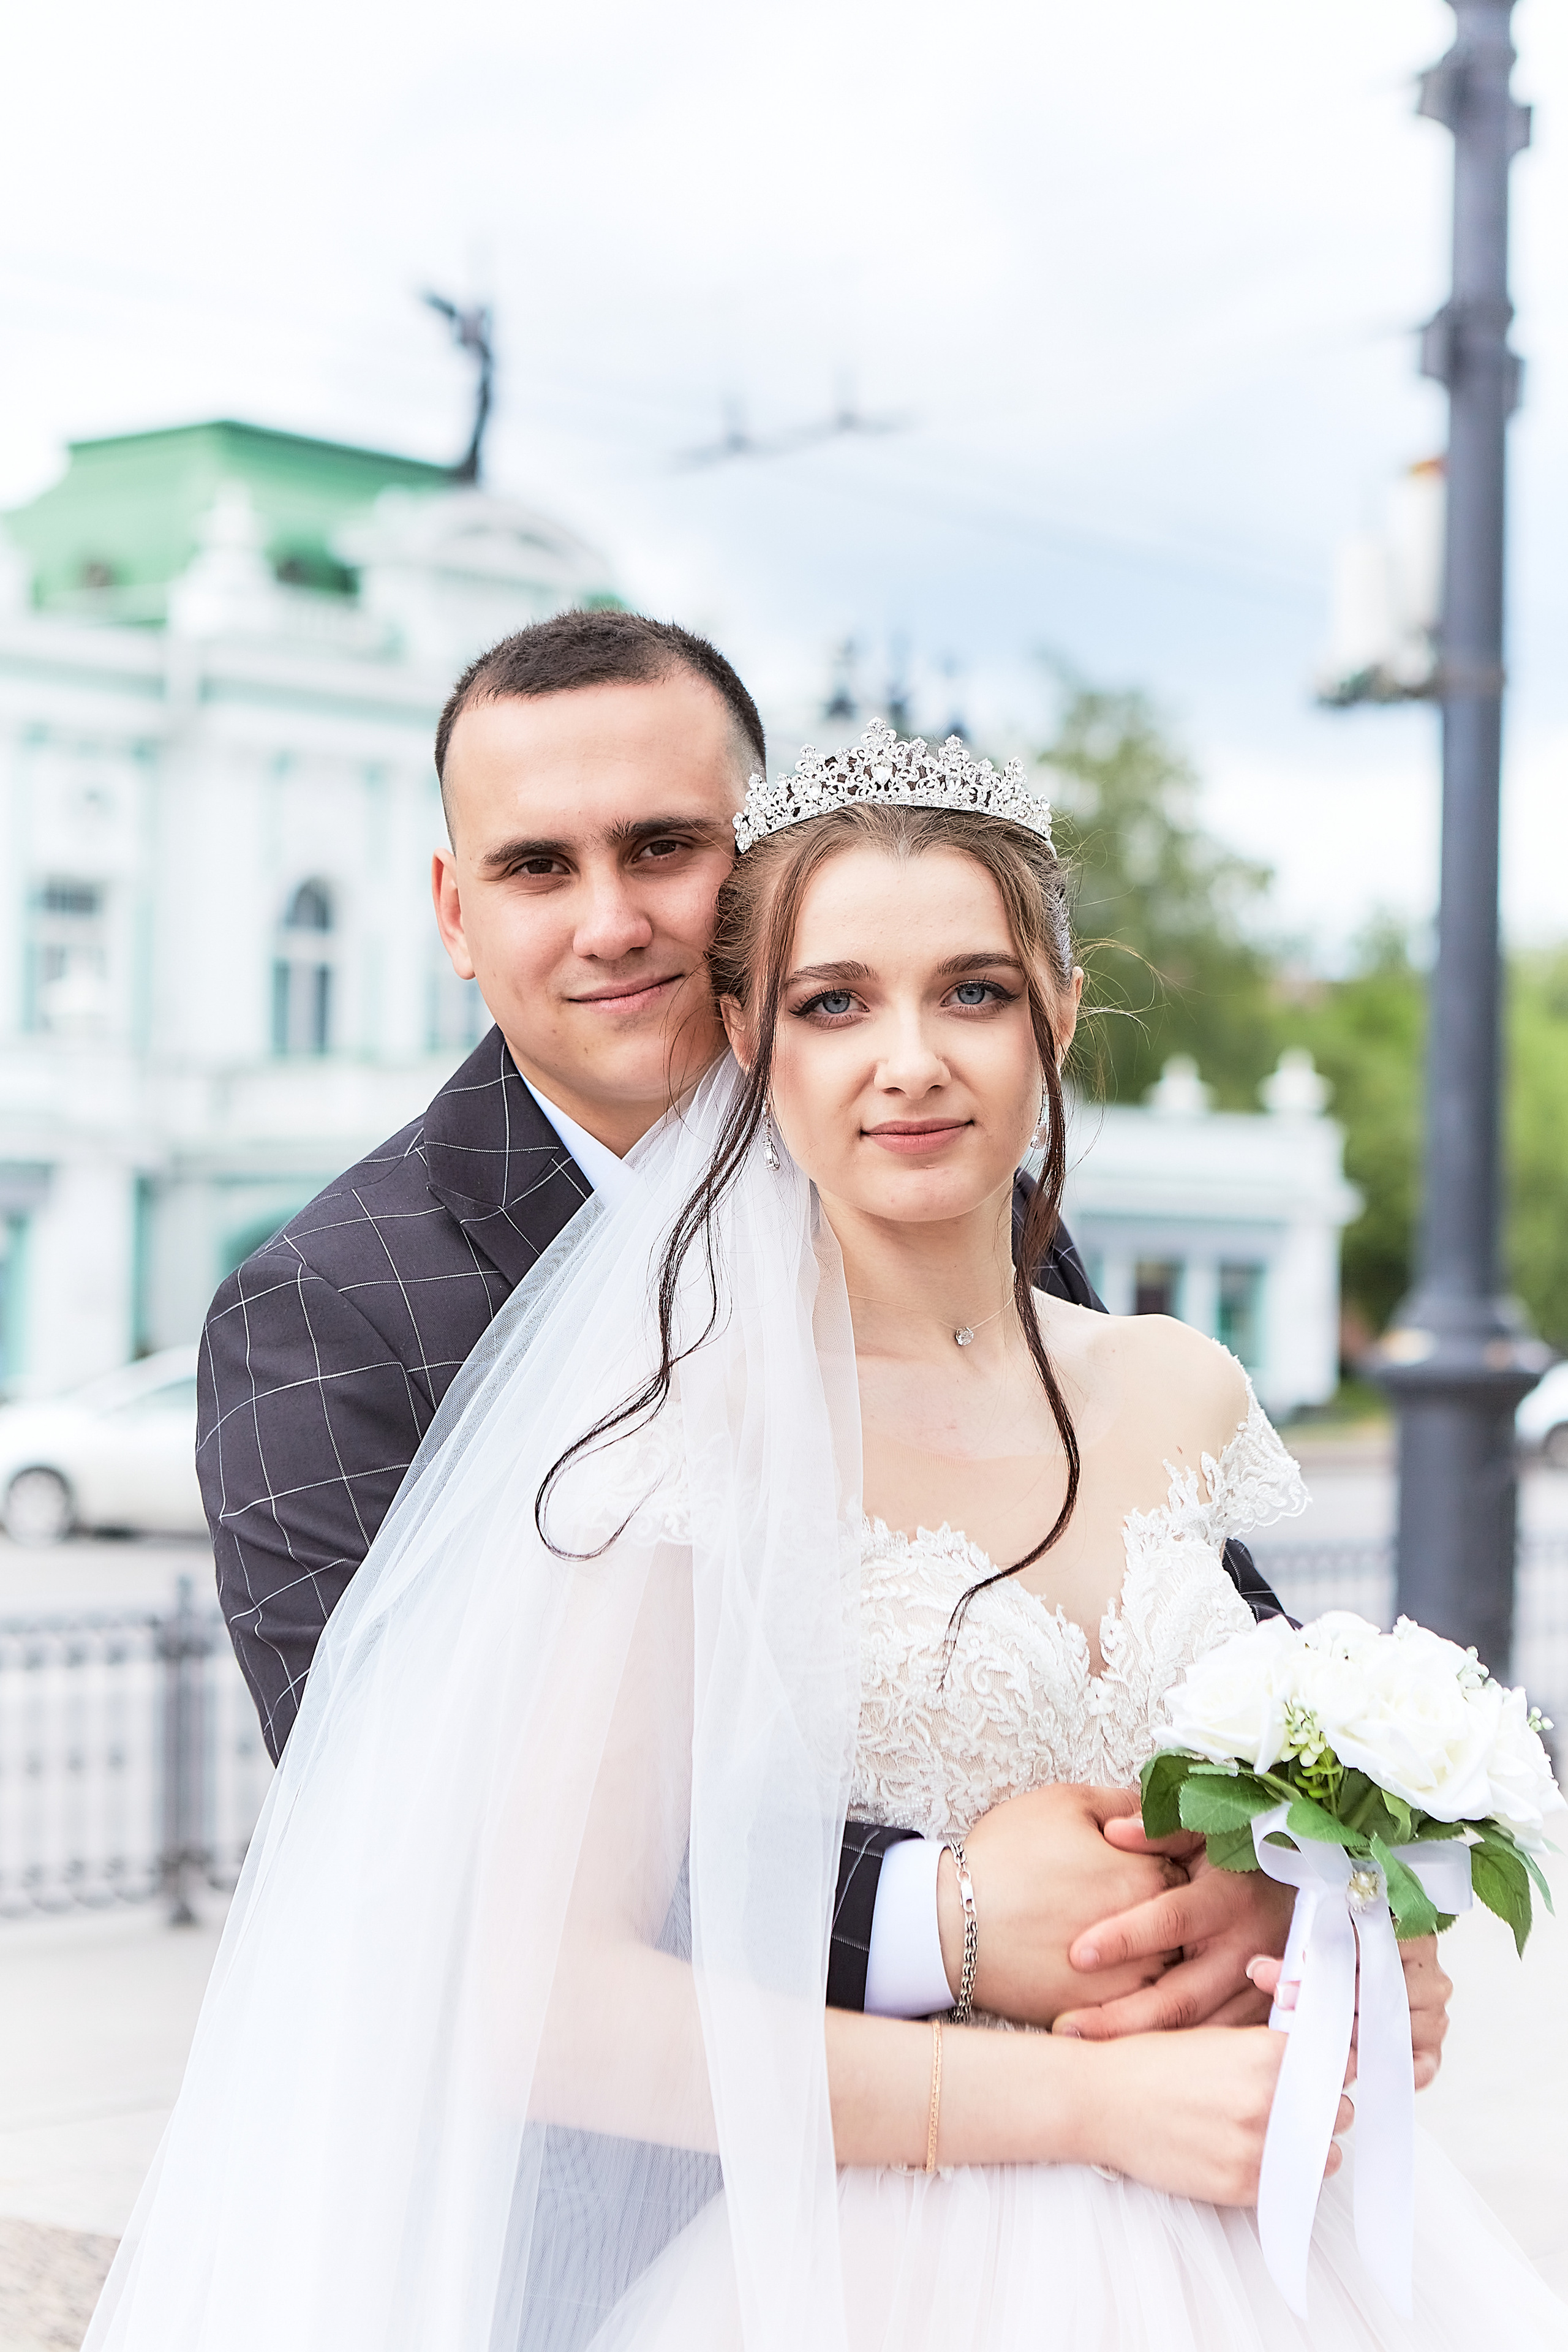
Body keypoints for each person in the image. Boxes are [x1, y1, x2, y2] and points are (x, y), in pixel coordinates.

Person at [91, 723, 1536, 2351]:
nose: (908, 1058)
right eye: (833, 1003)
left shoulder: (1179, 1389)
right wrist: (1080, 2109)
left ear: (1061, 1010)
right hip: (878, 2267)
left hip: (1275, 2234)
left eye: (974, 993)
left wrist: (1353, 1945)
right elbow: (539, 2007)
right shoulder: (680, 1437)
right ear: (747, 1043)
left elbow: (1269, 1800)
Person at [196, 612, 1321, 2048]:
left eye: (663, 847)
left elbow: (1195, 1609)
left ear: (756, 874)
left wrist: (1273, 1878)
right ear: (454, 913)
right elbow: (414, 1834)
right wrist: (945, 1916)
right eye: (538, 866)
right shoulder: (329, 1312)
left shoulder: (952, 1170)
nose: (611, 921)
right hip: (644, 2209)